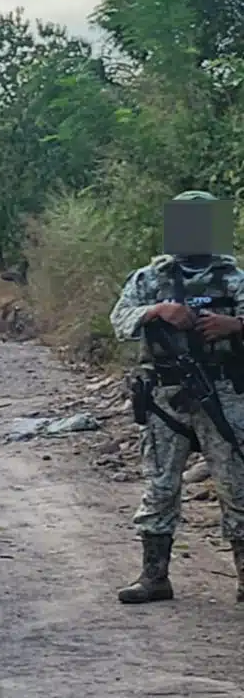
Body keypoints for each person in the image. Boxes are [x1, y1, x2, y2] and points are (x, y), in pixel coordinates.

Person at [109, 189, 244, 605]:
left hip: (222, 391)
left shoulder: (233, 276)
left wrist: (234, 325)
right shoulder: (150, 278)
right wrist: (157, 312)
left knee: (236, 485)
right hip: (166, 396)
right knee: (161, 484)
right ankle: (154, 577)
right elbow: (120, 320)